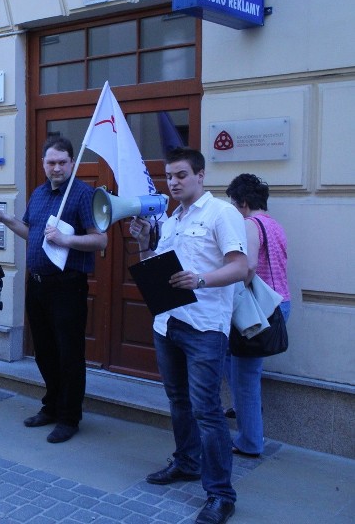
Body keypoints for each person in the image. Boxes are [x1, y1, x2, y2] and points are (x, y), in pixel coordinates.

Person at [129, 148, 248, 524]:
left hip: (204, 328)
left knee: (207, 412)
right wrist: (144, 242)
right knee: (178, 401)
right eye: (169, 176)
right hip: (168, 324)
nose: (174, 182)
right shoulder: (173, 218)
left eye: (181, 175)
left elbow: (241, 267)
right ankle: (186, 463)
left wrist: (201, 279)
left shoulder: (222, 213)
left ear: (200, 175)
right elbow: (158, 267)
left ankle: (220, 495)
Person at [0, 136, 107, 443]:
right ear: (43, 164)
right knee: (44, 351)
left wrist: (67, 240)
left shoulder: (84, 195)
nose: (56, 168)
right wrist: (5, 219)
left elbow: (100, 240)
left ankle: (69, 417)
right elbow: (30, 232)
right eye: (51, 162)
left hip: (68, 286)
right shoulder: (39, 194)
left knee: (69, 353)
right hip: (38, 285)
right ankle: (51, 406)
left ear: (71, 163)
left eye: (62, 162)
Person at [224, 173, 290, 458]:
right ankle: (242, 407)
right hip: (279, 304)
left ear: (245, 203)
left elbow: (248, 267)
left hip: (257, 310)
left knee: (246, 378)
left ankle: (250, 441)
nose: (233, 210)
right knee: (235, 360)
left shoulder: (250, 224)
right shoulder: (275, 225)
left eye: (234, 204)